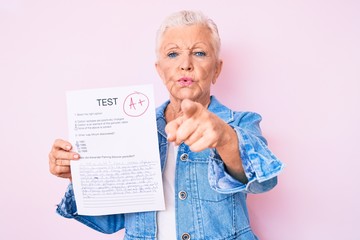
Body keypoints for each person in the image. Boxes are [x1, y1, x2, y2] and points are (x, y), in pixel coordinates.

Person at [49, 10, 283, 240]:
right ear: (160, 71)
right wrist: (81, 175)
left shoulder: (240, 123)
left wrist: (224, 136)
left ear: (217, 69)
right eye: (173, 54)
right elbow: (110, 222)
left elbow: (264, 182)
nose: (185, 64)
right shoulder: (131, 130)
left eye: (199, 53)